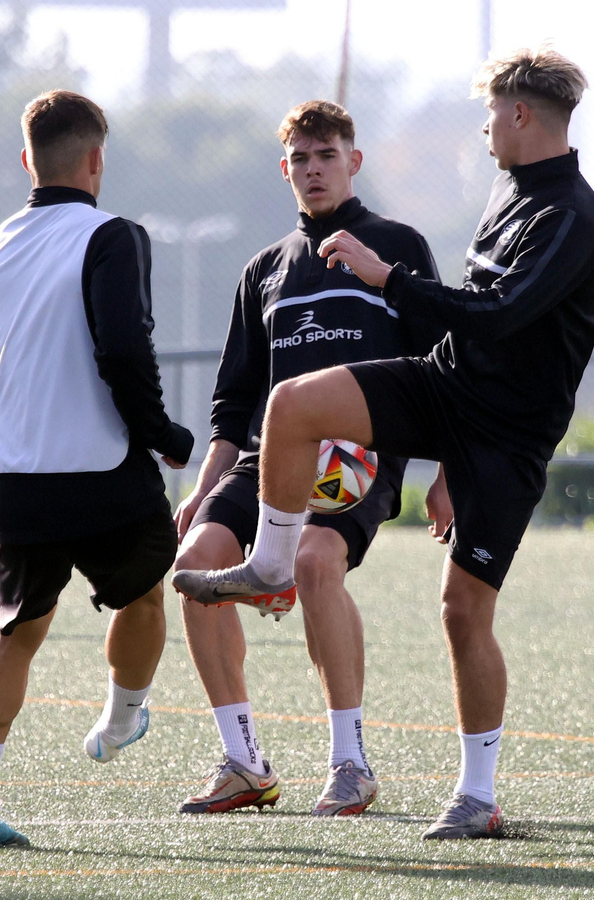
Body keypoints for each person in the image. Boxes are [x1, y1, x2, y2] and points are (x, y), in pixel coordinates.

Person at [174, 45, 594, 839]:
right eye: (299, 158)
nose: (484, 129)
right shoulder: (509, 188)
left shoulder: (571, 215)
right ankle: (269, 564)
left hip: (506, 436)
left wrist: (386, 278)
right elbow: (464, 318)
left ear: (520, 115)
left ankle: (476, 796)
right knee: (293, 403)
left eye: (490, 114)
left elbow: (496, 316)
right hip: (444, 385)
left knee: (463, 612)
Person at [171, 100, 447, 818]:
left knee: (317, 561)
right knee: (196, 562)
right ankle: (243, 761)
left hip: (357, 458)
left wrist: (450, 472)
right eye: (301, 158)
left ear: (354, 161)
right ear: (285, 169)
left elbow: (444, 365)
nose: (314, 169)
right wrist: (203, 488)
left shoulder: (398, 246)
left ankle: (350, 763)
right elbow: (234, 403)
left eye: (327, 155)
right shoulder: (263, 269)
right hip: (267, 460)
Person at [0, 90, 193, 849]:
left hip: (10, 473)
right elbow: (123, 347)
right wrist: (163, 434)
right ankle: (121, 718)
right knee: (145, 594)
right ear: (96, 160)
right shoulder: (113, 235)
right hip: (99, 466)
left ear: (27, 161)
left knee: (16, 630)